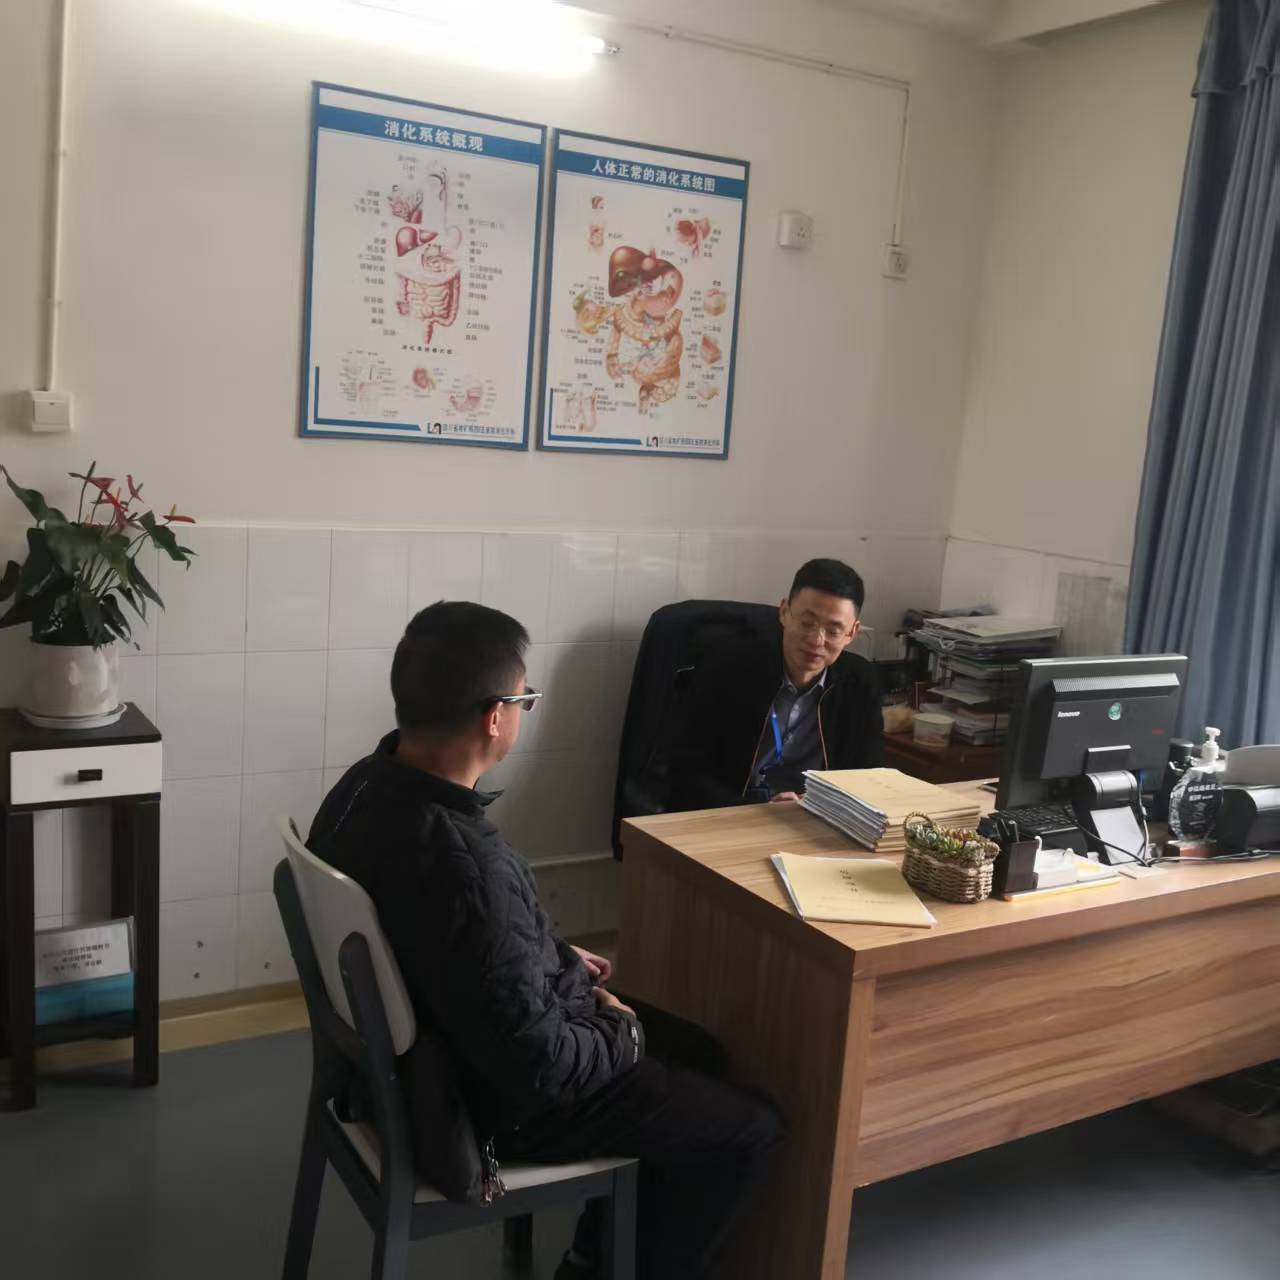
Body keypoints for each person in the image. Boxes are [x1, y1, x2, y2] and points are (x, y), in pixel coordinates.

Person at [308, 601, 782, 1280]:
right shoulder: (464, 866)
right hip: (495, 1101)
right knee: (752, 1130)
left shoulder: (363, 786)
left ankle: (596, 1253)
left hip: (437, 1053)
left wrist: (550, 953)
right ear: (494, 717)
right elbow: (544, 1068)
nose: (525, 712)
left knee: (703, 1051)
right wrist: (622, 1032)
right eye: (524, 698)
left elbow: (464, 936)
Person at [672, 557, 883, 810]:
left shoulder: (859, 681)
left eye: (833, 630)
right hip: (734, 812)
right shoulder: (728, 666)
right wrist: (754, 809)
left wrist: (816, 805)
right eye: (807, 623)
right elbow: (686, 769)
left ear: (852, 633)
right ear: (784, 612)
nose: (817, 640)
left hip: (816, 816)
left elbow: (866, 775)